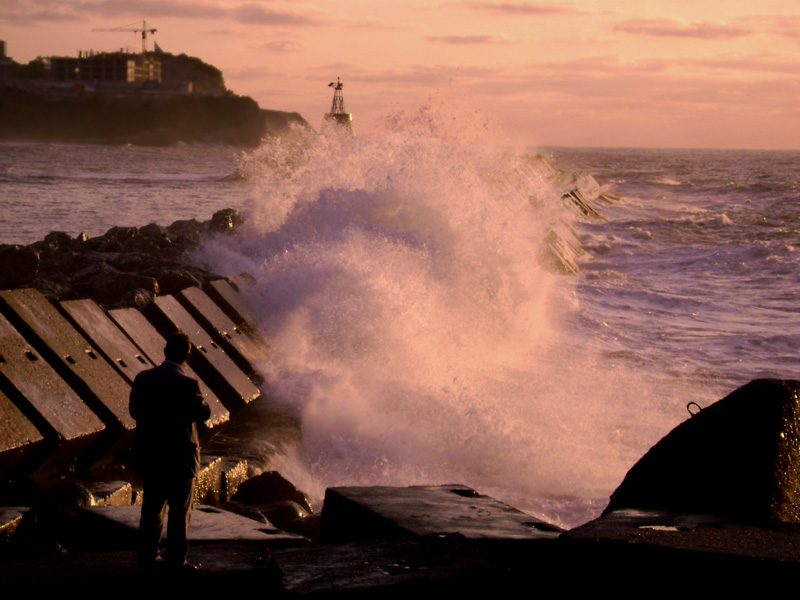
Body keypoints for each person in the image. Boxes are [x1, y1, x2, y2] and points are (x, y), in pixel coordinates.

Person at [129, 331, 211, 571]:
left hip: (152, 455)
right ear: (188, 356)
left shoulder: (143, 378)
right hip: (181, 457)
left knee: (152, 508)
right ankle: (176, 561)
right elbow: (203, 413)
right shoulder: (189, 384)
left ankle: (147, 557)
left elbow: (134, 411)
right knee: (180, 511)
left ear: (165, 352)